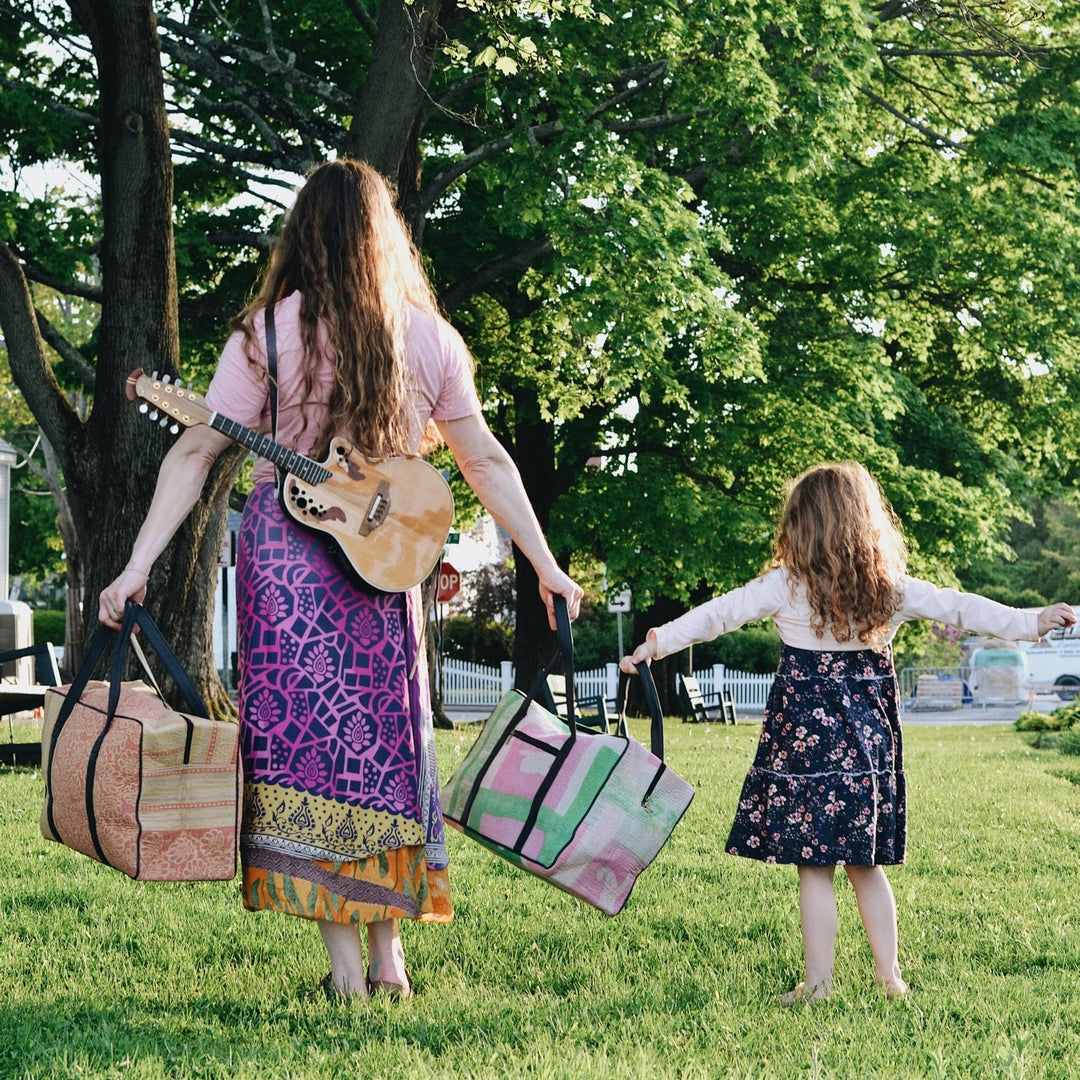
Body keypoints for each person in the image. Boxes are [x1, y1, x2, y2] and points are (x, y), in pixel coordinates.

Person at [99, 158, 583, 1000]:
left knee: (307, 755)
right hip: (386, 567)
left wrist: (139, 563)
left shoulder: (268, 332)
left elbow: (196, 449)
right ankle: (390, 962)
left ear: (303, 235)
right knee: (390, 752)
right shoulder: (427, 336)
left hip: (286, 567)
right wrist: (543, 562)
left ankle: (348, 974)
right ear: (383, 237)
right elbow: (484, 461)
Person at [619, 461, 1074, 1005]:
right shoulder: (888, 589)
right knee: (866, 864)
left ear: (801, 525)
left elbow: (718, 615)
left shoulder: (785, 586)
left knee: (815, 868)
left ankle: (818, 986)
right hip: (865, 746)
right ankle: (890, 977)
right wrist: (1031, 620)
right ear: (867, 523)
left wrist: (653, 645)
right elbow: (959, 606)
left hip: (804, 746)